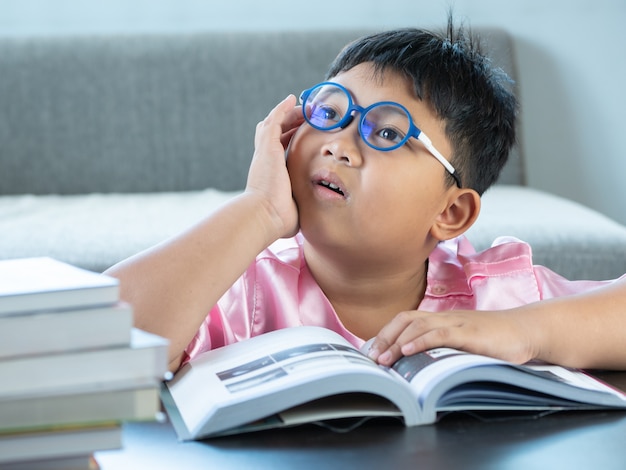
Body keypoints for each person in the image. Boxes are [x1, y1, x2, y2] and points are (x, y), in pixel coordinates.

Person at [105, 20, 626, 373]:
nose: (338, 146)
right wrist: (258, 210)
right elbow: (95, 343)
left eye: (385, 132)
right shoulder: (243, 291)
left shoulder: (494, 295)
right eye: (331, 112)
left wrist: (524, 331)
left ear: (451, 212)